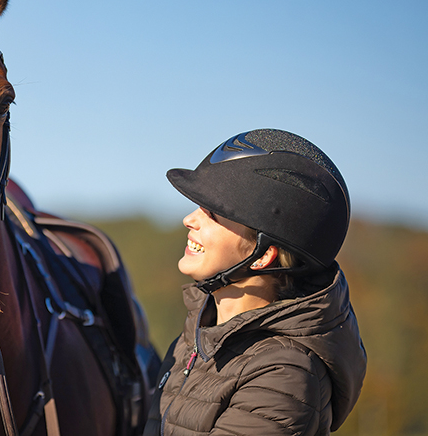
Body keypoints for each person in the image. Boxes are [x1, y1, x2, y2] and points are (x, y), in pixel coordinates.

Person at [142, 129, 366, 436]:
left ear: (263, 256)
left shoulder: (283, 378)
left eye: (214, 214)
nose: (190, 220)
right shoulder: (192, 342)